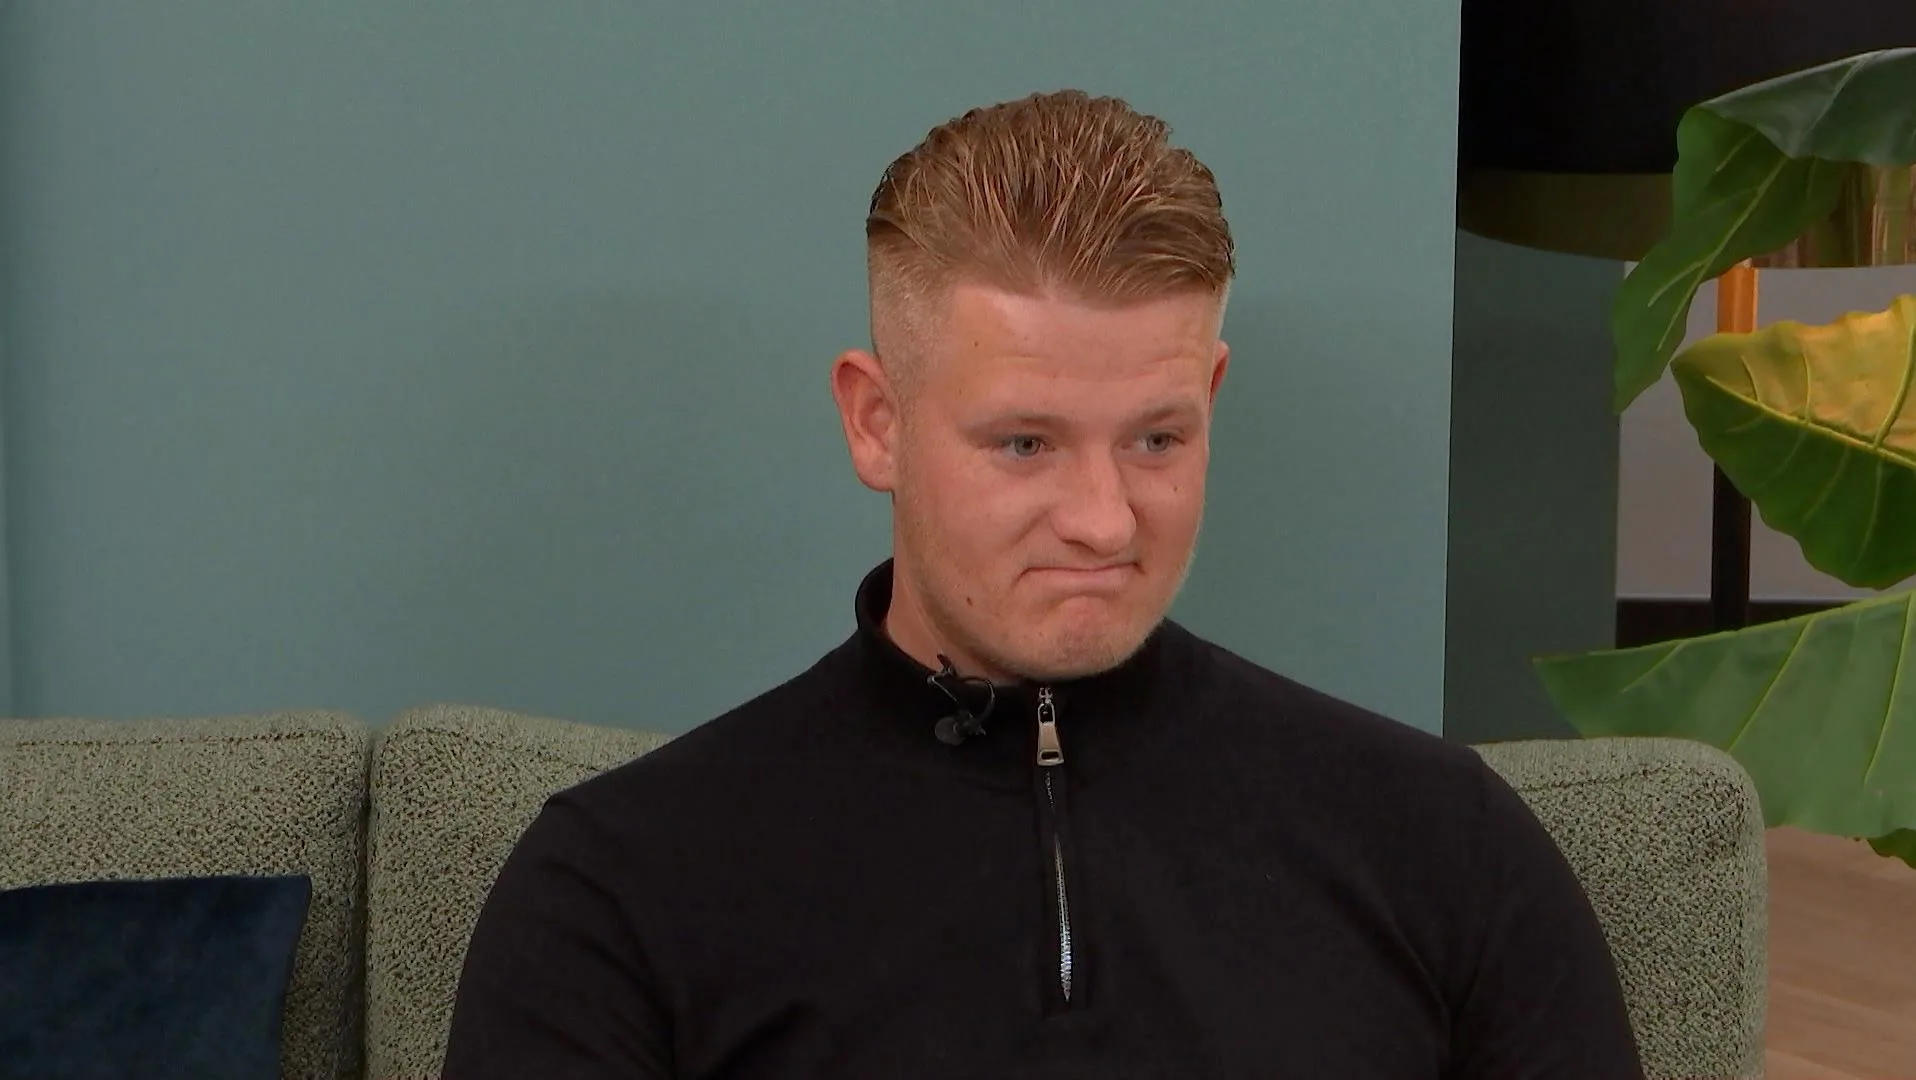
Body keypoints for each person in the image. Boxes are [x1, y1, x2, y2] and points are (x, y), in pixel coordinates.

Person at [442, 90, 1644, 1079]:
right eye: (1023, 443)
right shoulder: (619, 886)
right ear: (875, 422)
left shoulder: (1442, 844)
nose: (1102, 520)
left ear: (1211, 399)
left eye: (1156, 440)